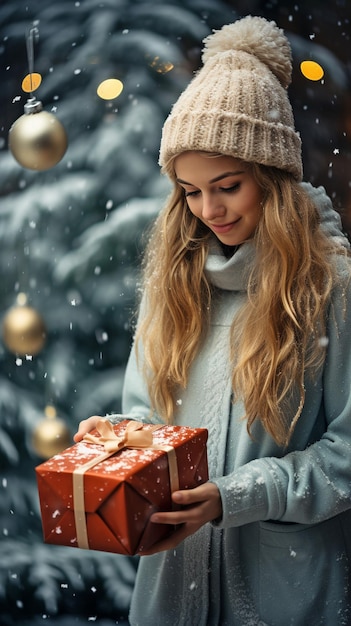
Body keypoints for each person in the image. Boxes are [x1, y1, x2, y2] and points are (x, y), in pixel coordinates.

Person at [75, 15, 351, 626]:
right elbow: (152, 416)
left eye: (227, 185)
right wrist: (120, 440)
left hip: (286, 589)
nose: (209, 210)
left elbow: (347, 454)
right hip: (173, 587)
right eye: (190, 191)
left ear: (274, 179)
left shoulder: (332, 288)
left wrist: (236, 497)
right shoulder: (174, 284)